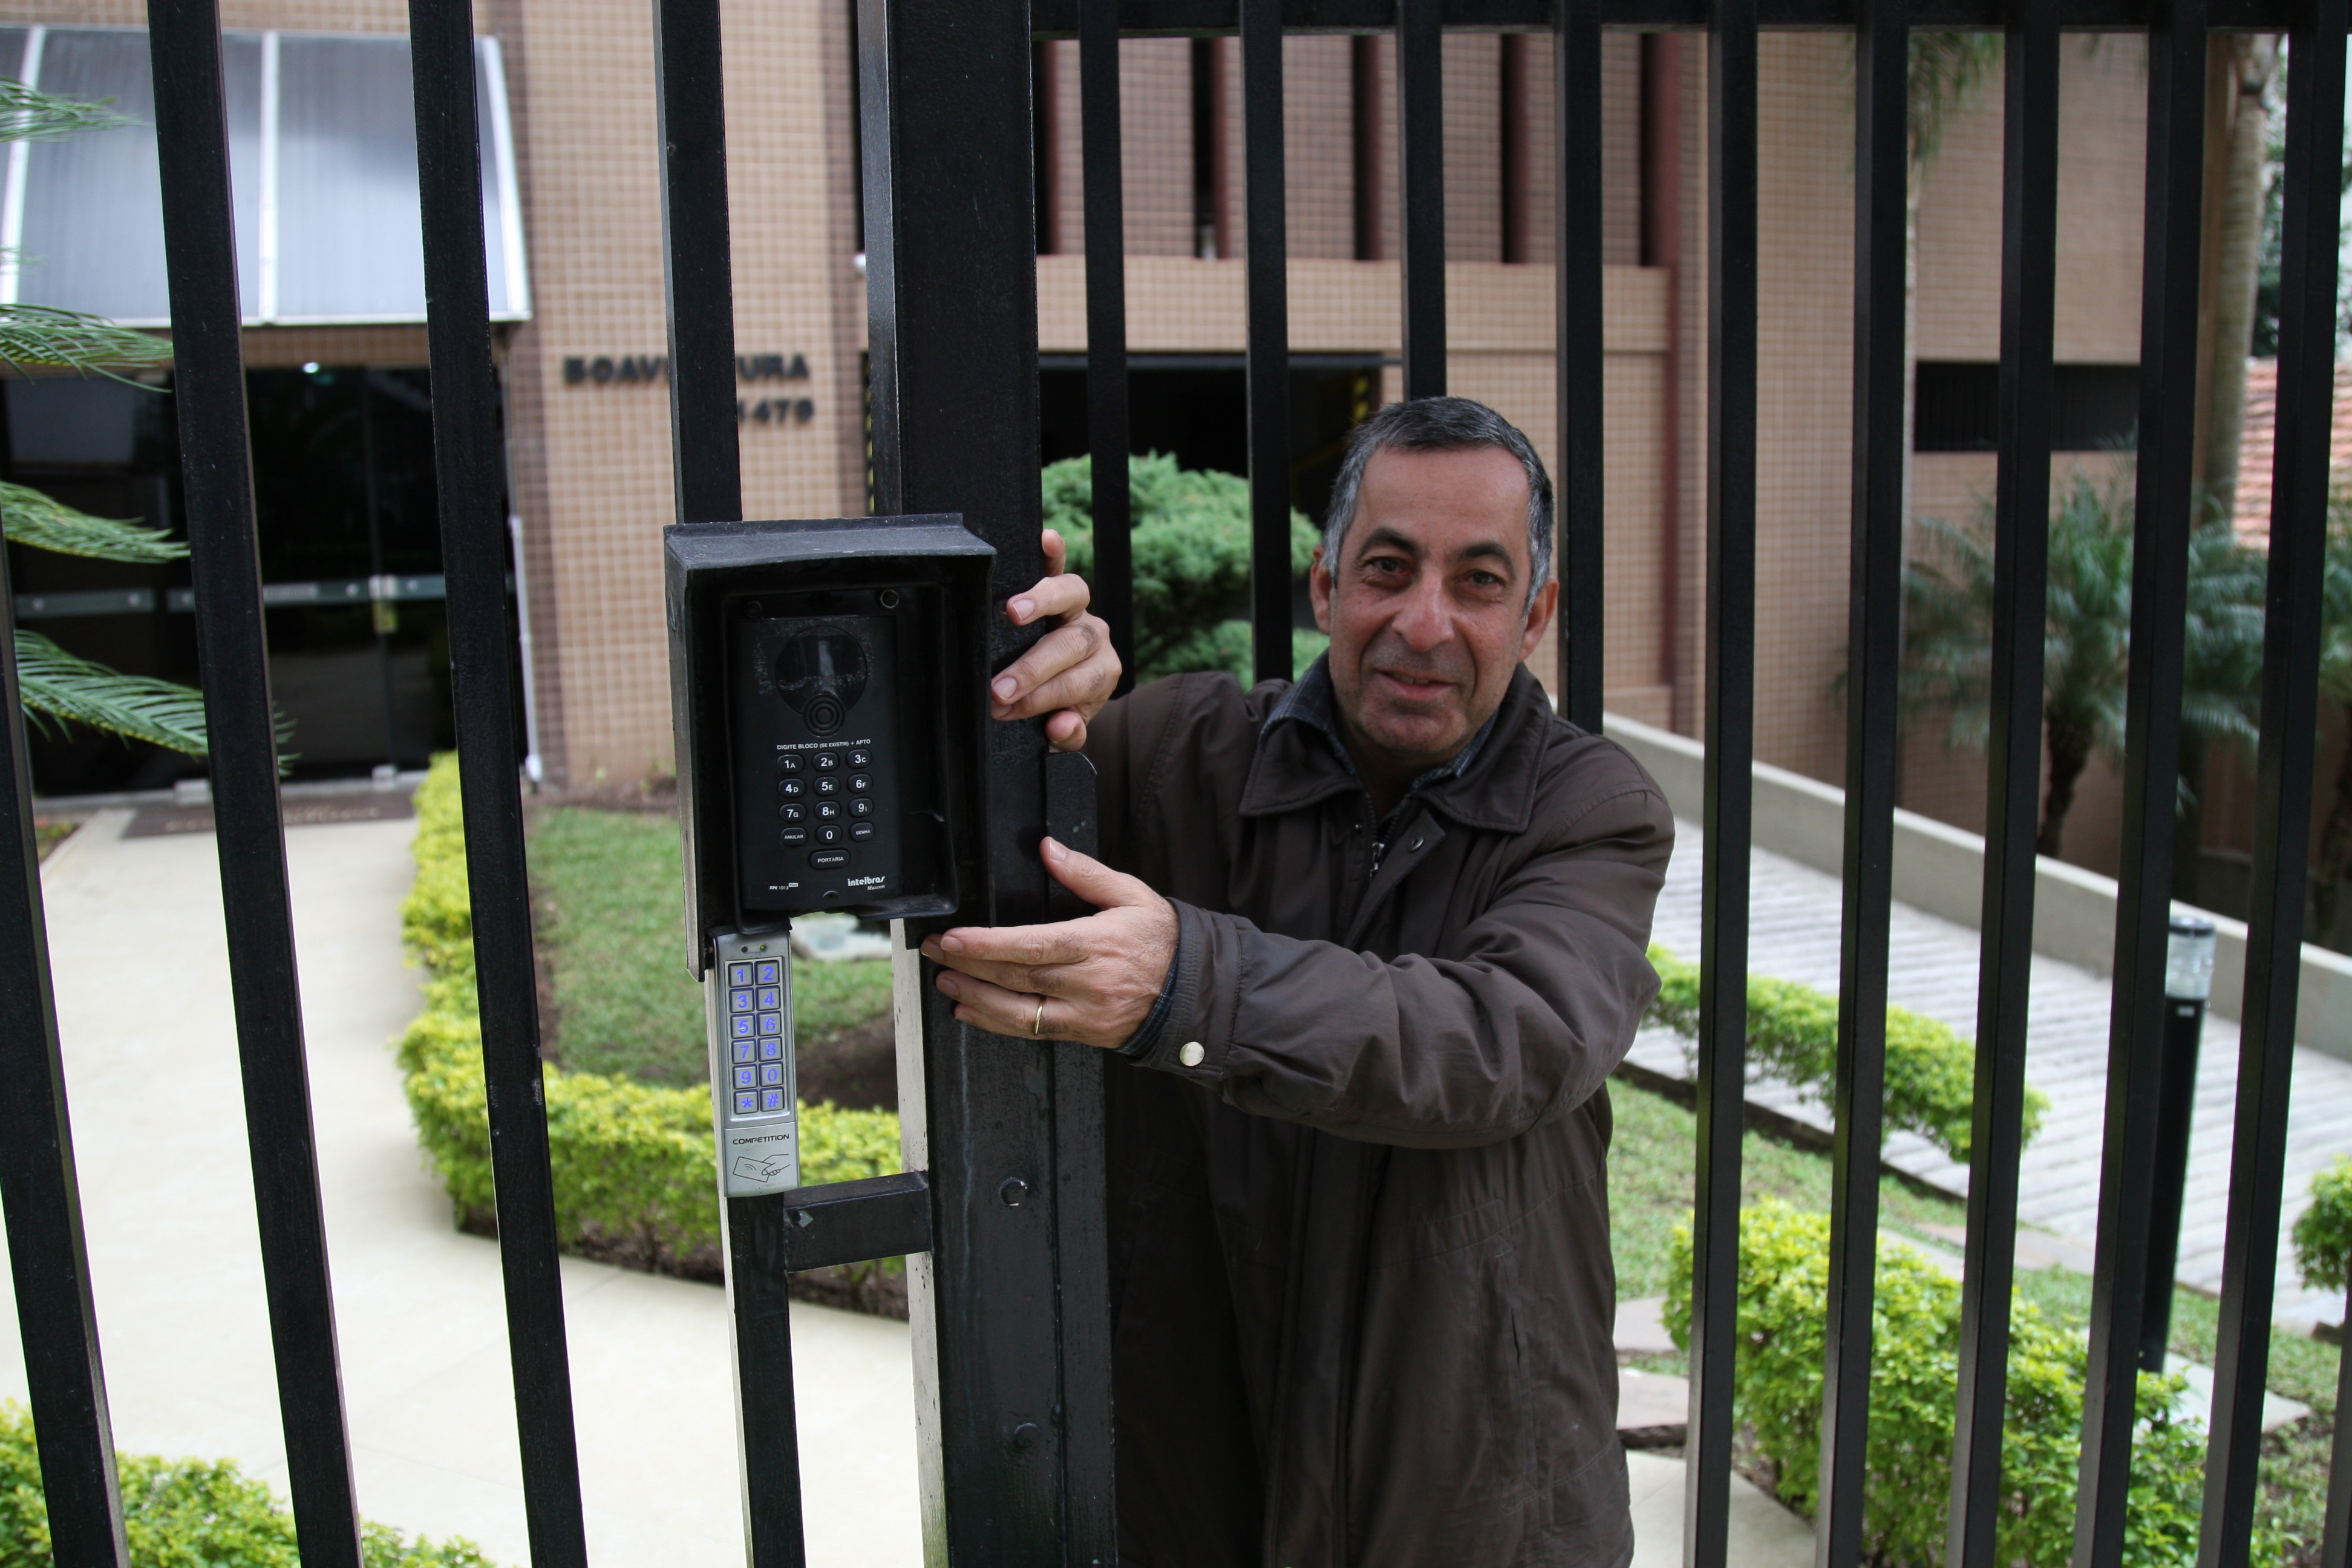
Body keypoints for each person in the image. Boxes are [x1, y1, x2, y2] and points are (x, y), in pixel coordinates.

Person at [927, 396, 1674, 1567]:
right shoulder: (1177, 756)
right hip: (1199, 1481)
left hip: (1478, 1503)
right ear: (1325, 587)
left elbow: (1501, 1043)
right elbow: (953, 848)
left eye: (1478, 582)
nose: (1424, 624)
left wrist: (1191, 986)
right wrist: (1031, 692)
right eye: (1388, 568)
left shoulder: (1593, 812)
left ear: (1537, 615)